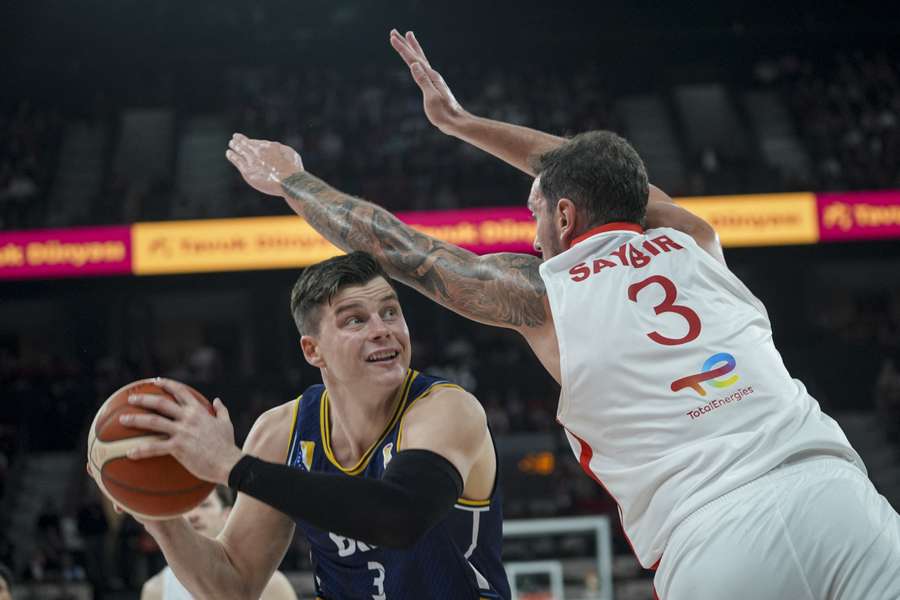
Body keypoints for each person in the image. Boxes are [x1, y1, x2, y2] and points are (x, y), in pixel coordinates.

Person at [223, 30, 900, 600]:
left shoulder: (543, 290)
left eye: (535, 210)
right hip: (838, 495)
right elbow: (610, 178)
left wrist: (292, 179)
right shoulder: (694, 241)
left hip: (717, 538)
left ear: (566, 215)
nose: (532, 227)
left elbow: (396, 246)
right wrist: (463, 124)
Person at [94, 251, 508, 599]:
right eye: (355, 320)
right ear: (313, 351)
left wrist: (233, 467)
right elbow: (233, 585)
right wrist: (155, 510)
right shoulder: (281, 432)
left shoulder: (446, 409)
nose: (383, 330)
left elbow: (400, 517)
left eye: (390, 312)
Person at [140, 486, 296, 600]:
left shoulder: (273, 585)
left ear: (227, 515)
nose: (193, 515)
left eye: (205, 505)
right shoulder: (156, 589)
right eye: (186, 508)